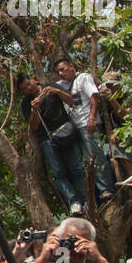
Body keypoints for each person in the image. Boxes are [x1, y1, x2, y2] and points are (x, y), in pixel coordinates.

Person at [17, 73, 88, 216]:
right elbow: (35, 126)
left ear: (33, 79)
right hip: (48, 139)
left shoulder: (51, 87)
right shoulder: (26, 103)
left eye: (29, 84)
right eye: (24, 89)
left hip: (66, 133)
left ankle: (87, 200)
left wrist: (57, 92)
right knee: (59, 173)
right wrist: (35, 110)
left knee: (77, 169)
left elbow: (72, 101)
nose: (29, 89)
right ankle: (74, 202)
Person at [54, 55, 117, 204]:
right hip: (76, 127)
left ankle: (106, 189)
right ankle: (96, 193)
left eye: (63, 69)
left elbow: (93, 97)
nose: (61, 73)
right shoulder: (63, 84)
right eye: (58, 72)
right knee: (87, 161)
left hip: (87, 123)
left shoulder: (84, 78)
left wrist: (92, 118)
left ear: (71, 66)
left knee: (96, 155)